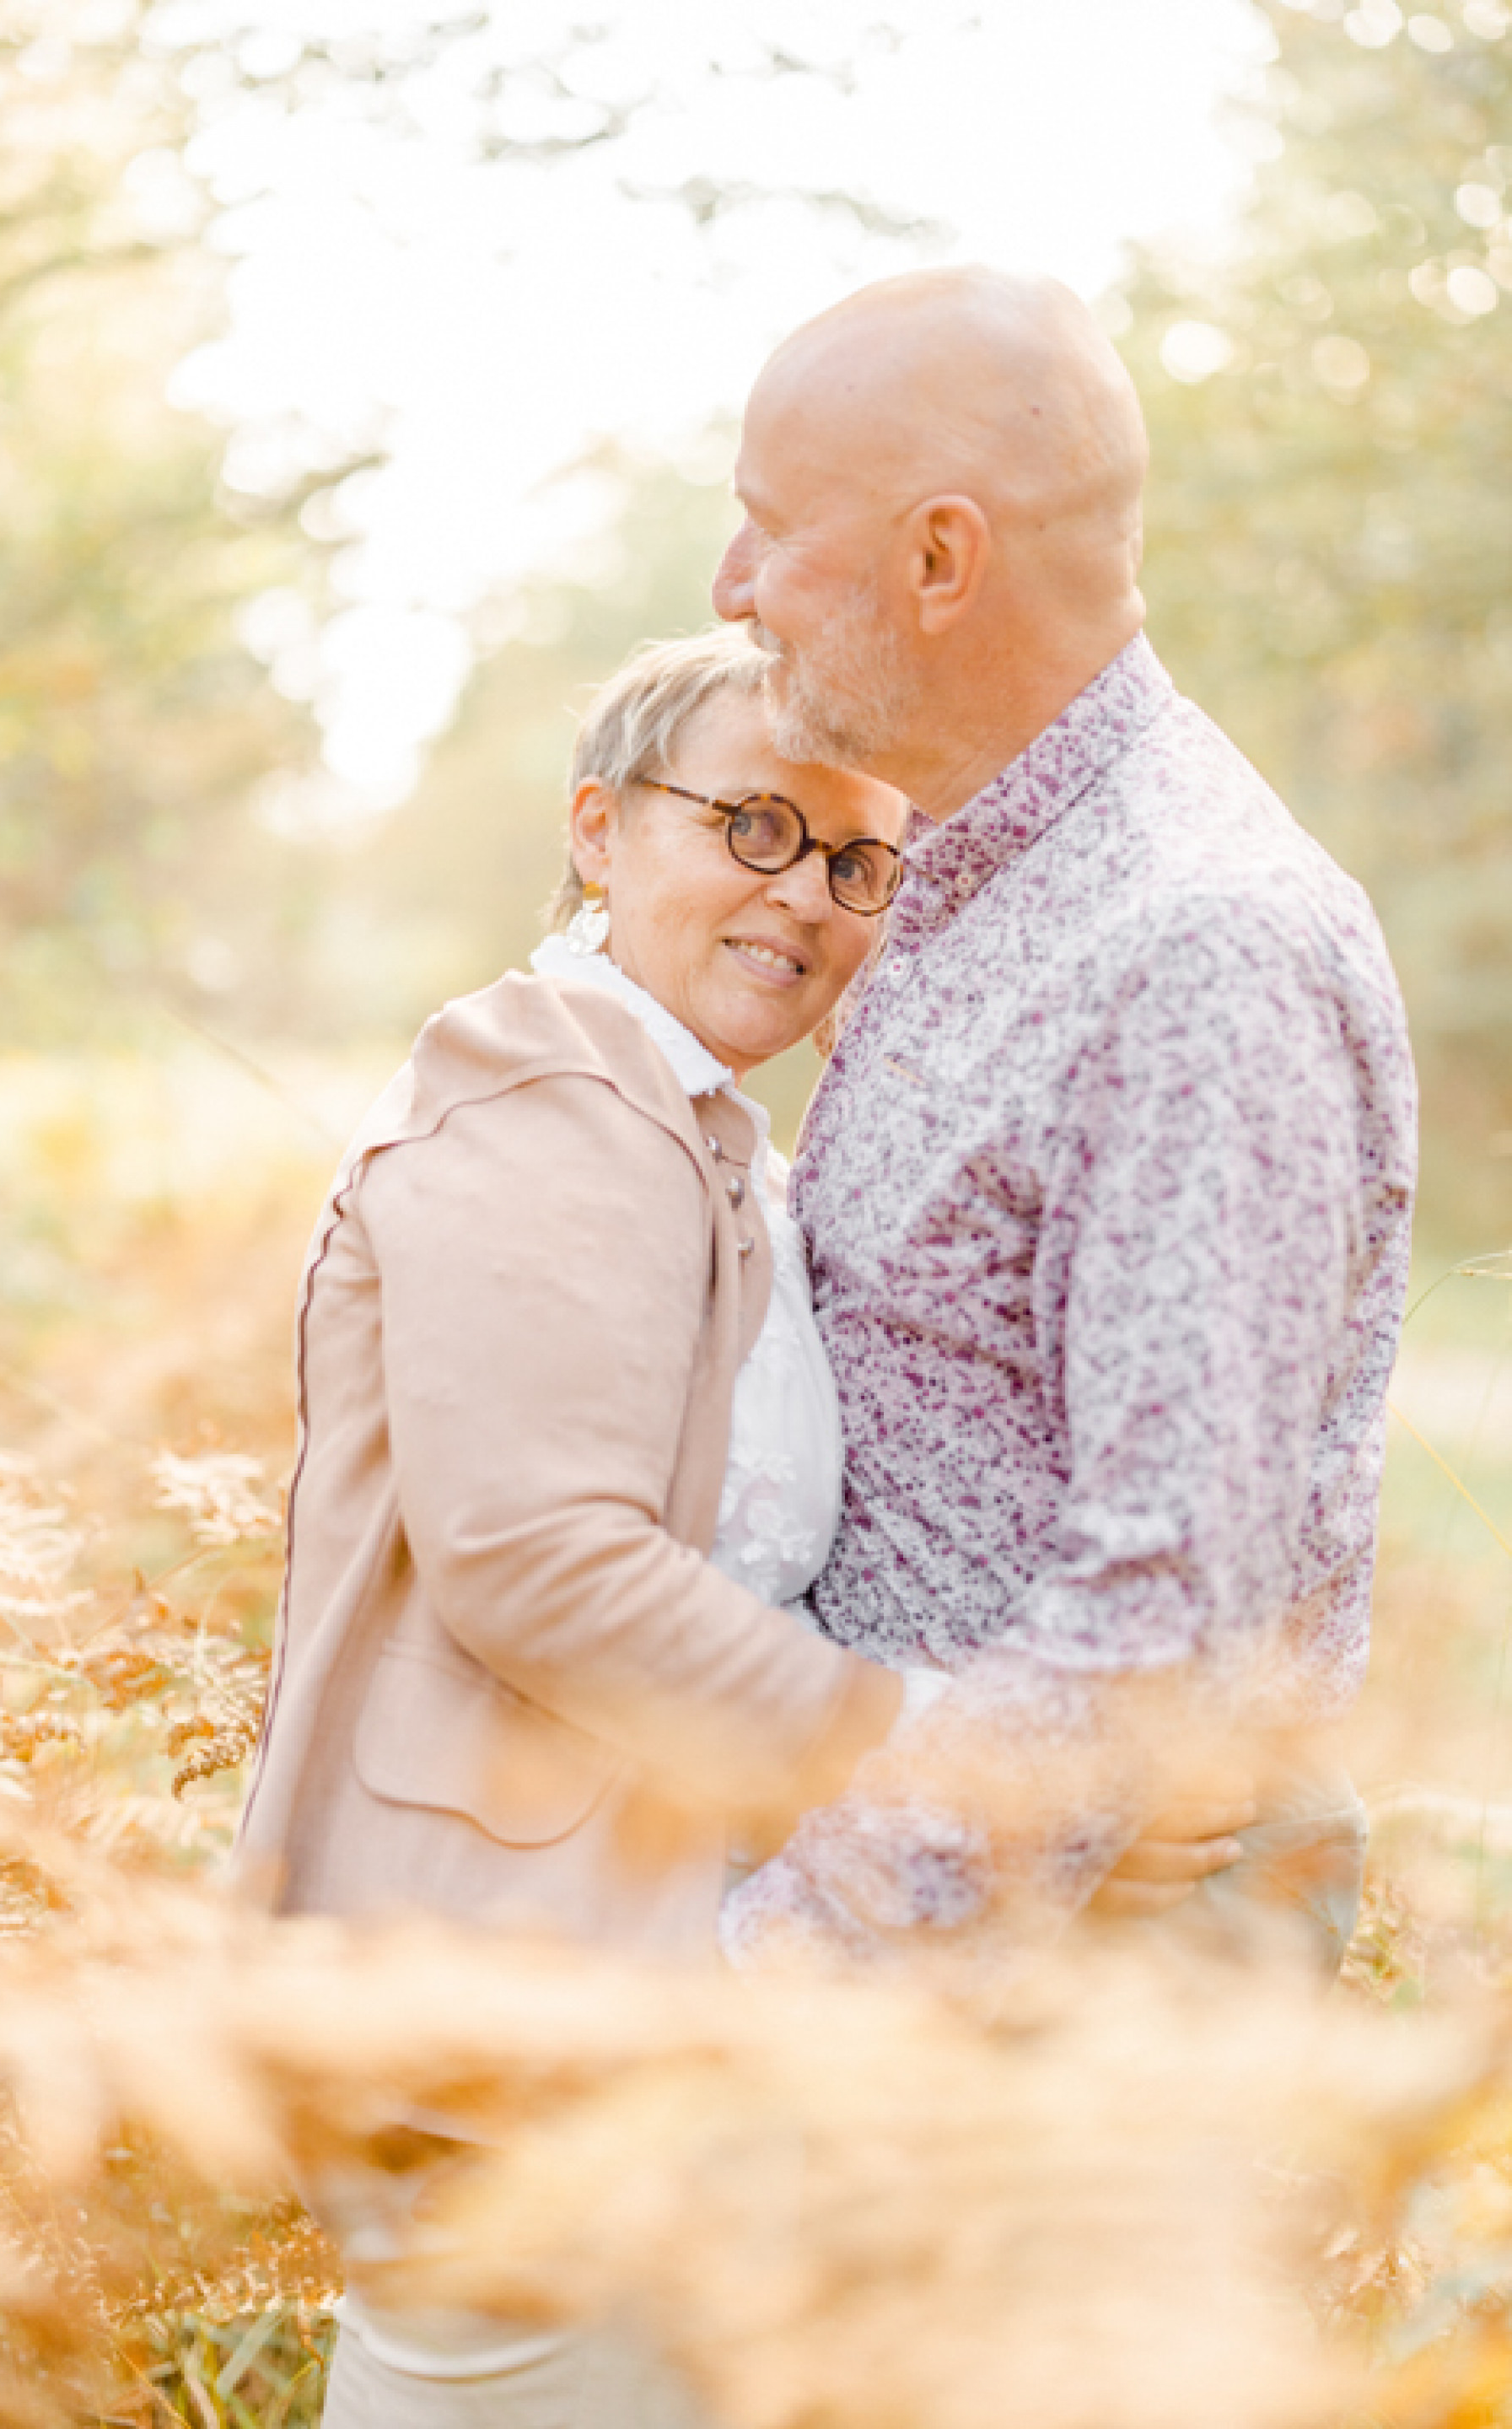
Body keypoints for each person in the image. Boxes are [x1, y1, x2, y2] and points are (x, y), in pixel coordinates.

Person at [236, 627, 1236, 2426]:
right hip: (499, 2004)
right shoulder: (548, 1090)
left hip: (615, 1981)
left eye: (861, 863)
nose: (808, 897)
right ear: (599, 828)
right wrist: (965, 1763)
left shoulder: (704, 1135)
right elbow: (547, 1564)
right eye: (755, 827)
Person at [710, 266, 1418, 1979]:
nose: (730, 586)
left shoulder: (1198, 950)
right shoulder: (955, 879)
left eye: (769, 528)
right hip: (942, 1943)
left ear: (940, 561)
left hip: (1081, 1976)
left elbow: (1165, 1607)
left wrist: (774, 1959)